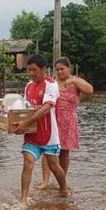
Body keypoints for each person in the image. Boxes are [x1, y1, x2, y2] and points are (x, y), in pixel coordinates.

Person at [14, 54, 69, 207]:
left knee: (54, 166)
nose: (31, 73)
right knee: (28, 162)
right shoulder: (28, 86)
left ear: (44, 69)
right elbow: (25, 108)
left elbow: (46, 109)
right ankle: (23, 200)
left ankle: (64, 189)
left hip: (49, 135)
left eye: (34, 70)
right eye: (29, 70)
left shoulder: (51, 85)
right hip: (32, 135)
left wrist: (26, 122)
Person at [39, 57, 93, 189]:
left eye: (62, 69)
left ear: (69, 68)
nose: (59, 72)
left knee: (64, 152)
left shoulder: (76, 82)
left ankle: (61, 179)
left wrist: (73, 80)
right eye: (57, 70)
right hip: (52, 119)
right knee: (48, 150)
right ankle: (45, 181)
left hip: (68, 121)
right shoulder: (51, 82)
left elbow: (90, 90)